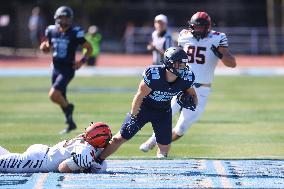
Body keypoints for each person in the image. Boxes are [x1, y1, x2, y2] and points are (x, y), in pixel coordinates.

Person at [139, 11, 237, 154]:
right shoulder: (184, 35)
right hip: (182, 84)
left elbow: (232, 63)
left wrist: (220, 54)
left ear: (208, 27)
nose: (197, 29)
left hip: (202, 89)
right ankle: (154, 143)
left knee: (181, 128)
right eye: (195, 26)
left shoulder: (218, 38)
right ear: (191, 26)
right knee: (166, 113)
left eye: (201, 27)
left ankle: (161, 144)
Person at [94, 47, 197, 165]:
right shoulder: (154, 75)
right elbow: (139, 96)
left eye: (184, 64)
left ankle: (162, 170)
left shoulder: (186, 77)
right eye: (179, 64)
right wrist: (133, 116)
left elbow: (193, 96)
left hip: (163, 112)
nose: (183, 67)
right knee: (120, 137)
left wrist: (191, 103)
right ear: (169, 63)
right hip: (143, 109)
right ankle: (97, 161)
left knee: (164, 147)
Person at [39, 6, 92, 134]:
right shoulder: (51, 30)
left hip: (68, 68)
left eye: (67, 18)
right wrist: (44, 47)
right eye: (62, 17)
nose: (65, 20)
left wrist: (82, 62)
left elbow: (89, 48)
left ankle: (69, 108)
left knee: (54, 95)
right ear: (57, 18)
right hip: (55, 67)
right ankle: (70, 123)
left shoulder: (75, 32)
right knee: (61, 96)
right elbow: (48, 47)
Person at [0, 122, 112, 173]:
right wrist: (85, 166)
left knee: (5, 156)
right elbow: (62, 168)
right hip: (35, 162)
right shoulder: (86, 152)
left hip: (41, 153)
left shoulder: (84, 141)